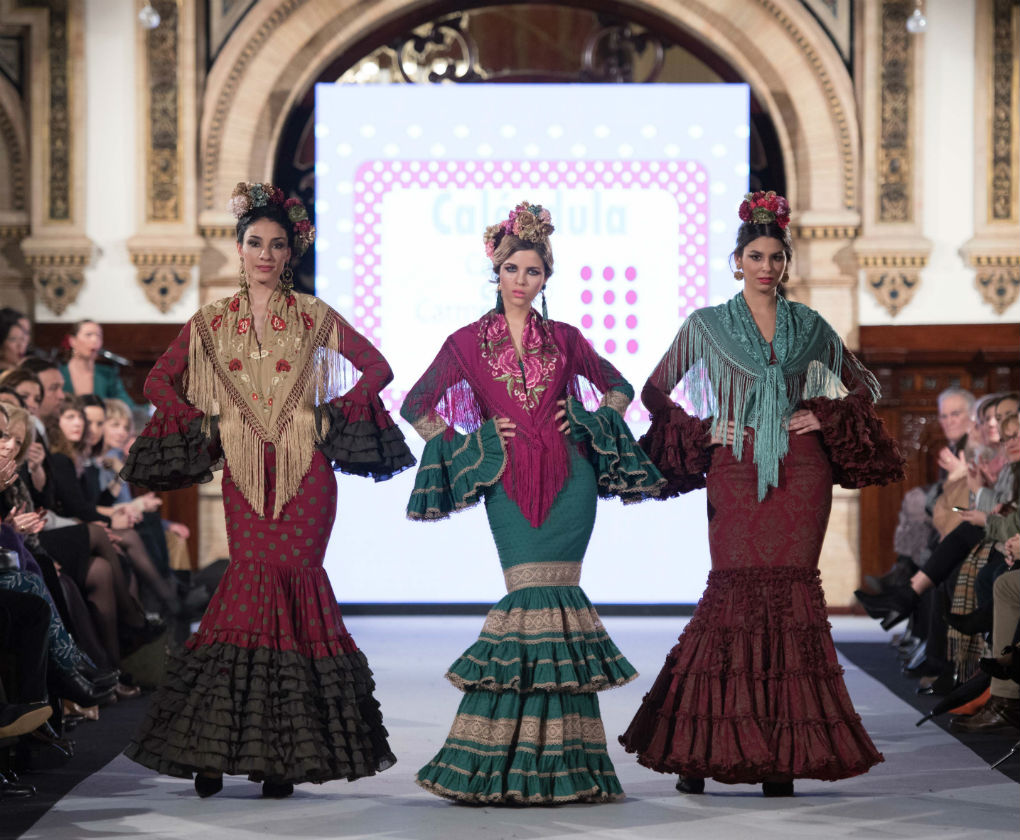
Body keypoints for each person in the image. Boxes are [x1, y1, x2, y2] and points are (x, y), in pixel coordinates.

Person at [121, 181, 414, 799]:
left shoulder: (313, 315)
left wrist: (329, 415)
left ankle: (281, 754)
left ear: (290, 253)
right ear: (239, 247)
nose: (264, 253)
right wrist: (208, 424)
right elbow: (157, 381)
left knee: (295, 597)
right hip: (244, 478)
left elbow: (378, 367)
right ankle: (213, 746)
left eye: (277, 245)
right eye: (255, 242)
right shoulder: (212, 321)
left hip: (308, 479)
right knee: (246, 597)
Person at [618, 191, 905, 797]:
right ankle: (698, 748)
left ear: (786, 262)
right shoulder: (707, 325)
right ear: (737, 260)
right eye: (756, 255)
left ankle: (780, 756)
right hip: (734, 468)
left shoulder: (810, 324)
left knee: (793, 599)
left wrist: (822, 419)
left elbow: (864, 387)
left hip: (802, 473)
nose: (767, 266)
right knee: (731, 598)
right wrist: (706, 428)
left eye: (776, 257)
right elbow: (655, 392)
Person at [402, 200, 664, 804]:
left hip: (572, 482)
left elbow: (620, 388)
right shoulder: (465, 343)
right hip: (510, 486)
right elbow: (416, 405)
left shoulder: (567, 339)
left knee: (561, 609)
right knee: (526, 605)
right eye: (513, 269)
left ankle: (566, 768)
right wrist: (474, 442)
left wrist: (594, 418)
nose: (522, 281)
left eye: (534, 273)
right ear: (495, 271)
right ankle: (500, 763)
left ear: (546, 279)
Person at [58, 320, 138, 410]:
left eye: (99, 336)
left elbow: (128, 405)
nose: (95, 340)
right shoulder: (59, 373)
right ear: (72, 341)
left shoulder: (107, 373)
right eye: (88, 335)